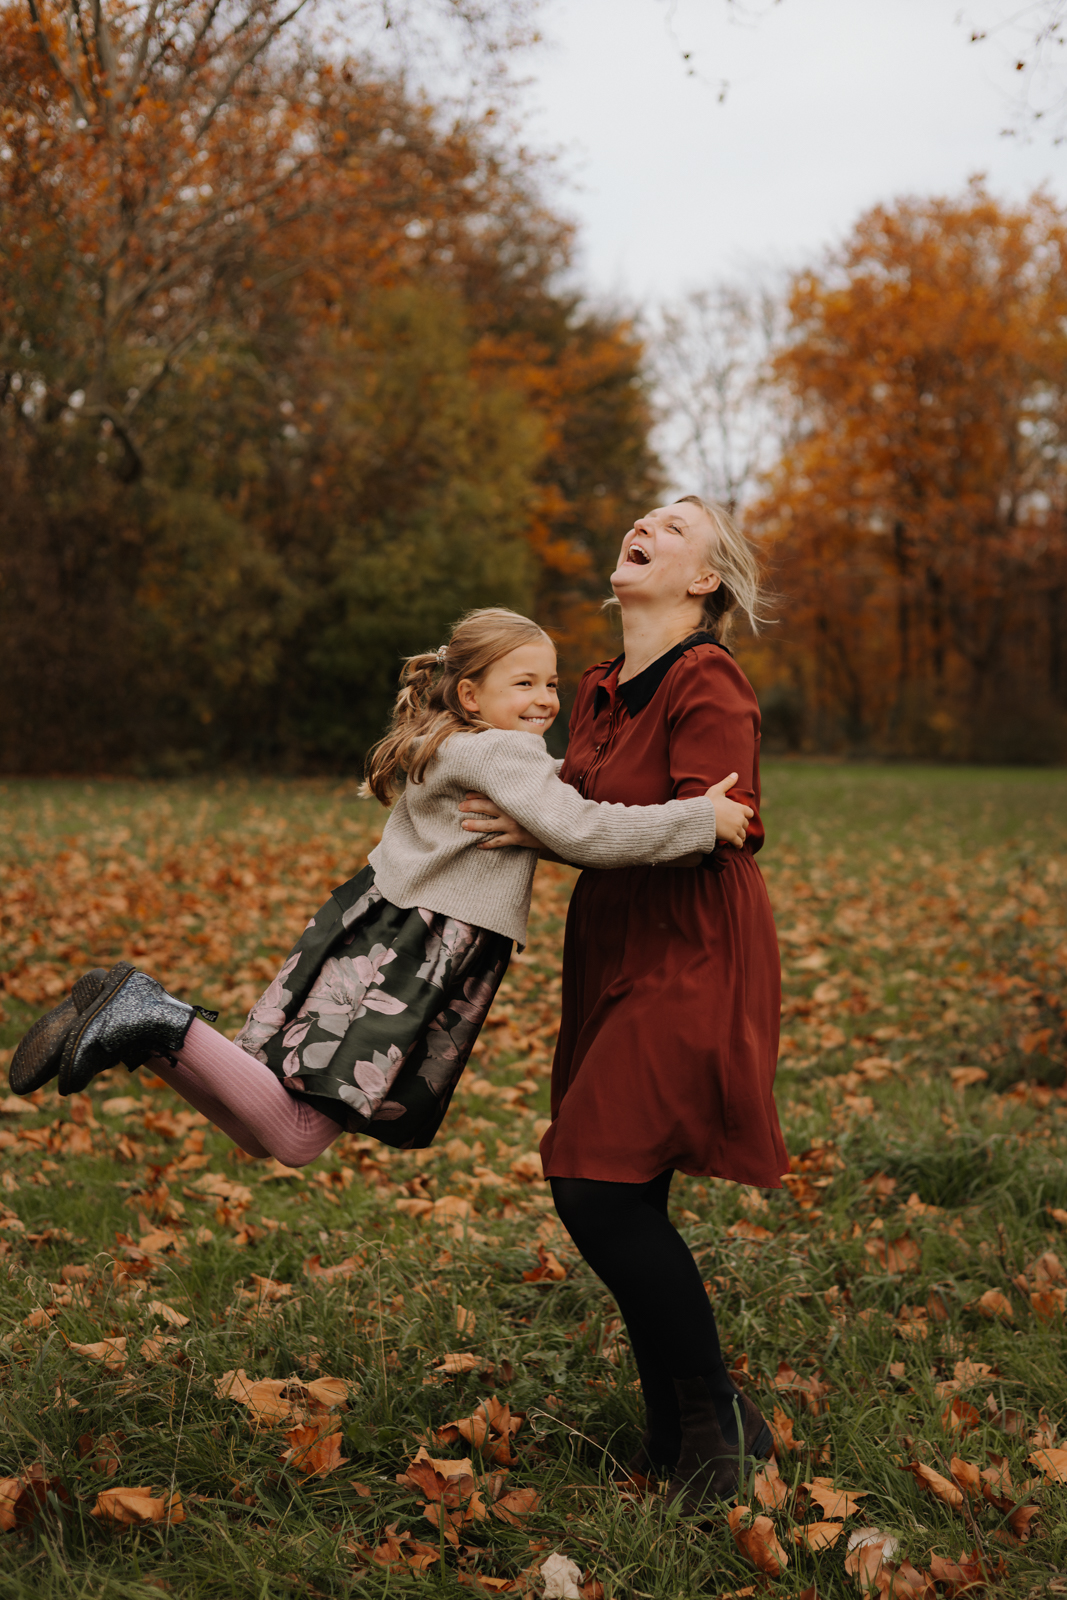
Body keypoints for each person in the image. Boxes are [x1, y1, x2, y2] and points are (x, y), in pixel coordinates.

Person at [9, 607, 752, 1174]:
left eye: (551, 683)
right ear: (469, 692)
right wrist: (699, 819)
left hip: (377, 933)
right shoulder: (504, 755)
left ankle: (134, 1022)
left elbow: (565, 806)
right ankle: (149, 1016)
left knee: (257, 1122)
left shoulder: (458, 743)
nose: (546, 699)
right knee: (298, 1137)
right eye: (524, 682)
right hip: (417, 955)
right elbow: (583, 830)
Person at [459, 502, 787, 1513]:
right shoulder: (598, 688)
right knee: (628, 1187)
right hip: (610, 942)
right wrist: (533, 825)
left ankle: (721, 1429)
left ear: (704, 581)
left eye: (676, 523)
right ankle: (674, 1428)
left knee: (593, 1184)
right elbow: (582, 813)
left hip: (689, 944)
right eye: (647, 514)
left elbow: (721, 821)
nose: (646, 520)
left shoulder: (706, 678)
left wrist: (558, 830)